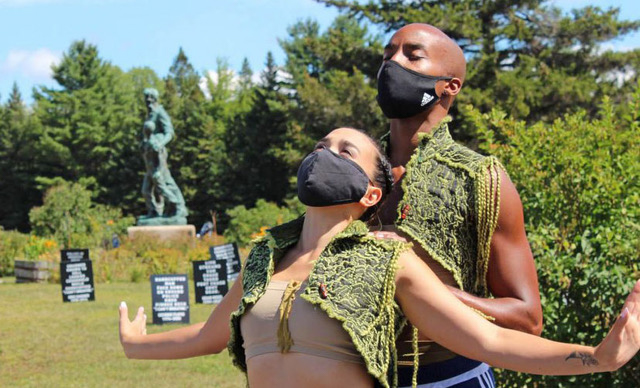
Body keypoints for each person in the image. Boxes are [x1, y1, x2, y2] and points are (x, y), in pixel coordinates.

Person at [119, 127, 640, 388]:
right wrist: (135, 345)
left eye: (345, 152)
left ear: (371, 194)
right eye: (321, 145)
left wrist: (597, 356)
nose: (324, 154)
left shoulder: (385, 259)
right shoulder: (265, 256)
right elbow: (208, 336)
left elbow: (489, 340)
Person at [372, 23, 542, 386]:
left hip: (453, 377)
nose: (392, 64)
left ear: (450, 86)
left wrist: (429, 293)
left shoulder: (481, 178)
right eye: (387, 55)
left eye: (412, 55)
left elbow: (527, 318)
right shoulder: (353, 172)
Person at [138, 88, 188, 224]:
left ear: (155, 99)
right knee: (146, 189)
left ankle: (179, 207)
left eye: (150, 97)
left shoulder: (160, 112)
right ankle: (153, 211)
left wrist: (161, 144)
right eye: (146, 97)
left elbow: (170, 132)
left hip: (158, 154)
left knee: (165, 181)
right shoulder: (149, 115)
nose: (147, 100)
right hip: (149, 154)